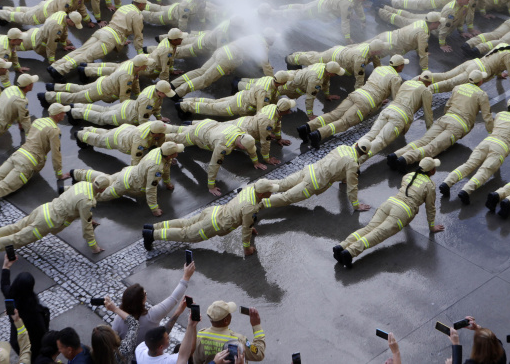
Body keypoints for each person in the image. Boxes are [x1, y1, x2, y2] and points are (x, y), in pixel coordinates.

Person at [0, 176, 107, 266]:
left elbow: (71, 198)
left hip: (44, 209)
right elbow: (86, 228)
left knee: (15, 227)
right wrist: (94, 247)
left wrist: (85, 215)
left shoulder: (83, 184)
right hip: (47, 222)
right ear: (102, 189)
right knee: (16, 239)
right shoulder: (87, 201)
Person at [334, 157, 444, 266]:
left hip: (389, 203)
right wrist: (432, 226)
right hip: (402, 212)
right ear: (432, 170)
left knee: (368, 229)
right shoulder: (430, 186)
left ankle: (342, 246)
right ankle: (349, 252)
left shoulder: (408, 176)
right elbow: (430, 208)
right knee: (378, 234)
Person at [388, 69, 493, 172]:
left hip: (445, 119)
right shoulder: (481, 95)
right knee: (432, 148)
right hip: (458, 126)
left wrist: (447, 118)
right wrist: (491, 133)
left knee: (422, 141)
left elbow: (447, 105)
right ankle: (405, 159)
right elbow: (487, 116)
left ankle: (396, 154)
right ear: (480, 81)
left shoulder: (458, 88)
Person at [144, 179, 281, 256]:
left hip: (213, 211)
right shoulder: (250, 206)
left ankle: (154, 227)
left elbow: (243, 215)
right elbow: (246, 228)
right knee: (186, 234)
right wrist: (247, 248)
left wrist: (250, 226)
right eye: (270, 192)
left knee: (185, 222)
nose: (271, 193)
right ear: (262, 194)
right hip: (214, 224)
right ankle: (152, 235)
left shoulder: (251, 189)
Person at [441, 97, 510, 203]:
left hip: (487, 142)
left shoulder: (500, 114)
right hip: (500, 147)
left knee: (469, 164)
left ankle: (447, 183)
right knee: (484, 171)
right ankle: (466, 190)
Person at [299, 56, 404, 148]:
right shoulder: (396, 78)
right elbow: (397, 98)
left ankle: (307, 127)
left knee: (334, 114)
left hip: (357, 94)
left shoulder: (380, 69)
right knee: (344, 122)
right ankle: (319, 134)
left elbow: (375, 85)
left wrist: (380, 100)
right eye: (403, 65)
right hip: (365, 103)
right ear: (399, 66)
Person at [109, 263, 194, 358]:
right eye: (145, 293)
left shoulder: (118, 319)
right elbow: (174, 298)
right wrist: (186, 276)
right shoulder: (152, 316)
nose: (146, 293)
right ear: (142, 301)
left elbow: (113, 341)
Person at [264, 141, 370, 210]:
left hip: (309, 170)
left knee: (282, 184)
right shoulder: (353, 164)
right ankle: (257, 204)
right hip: (313, 183)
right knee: (285, 198)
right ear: (364, 154)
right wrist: (356, 205)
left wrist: (344, 178)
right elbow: (352, 187)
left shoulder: (343, 147)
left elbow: (338, 164)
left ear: (356, 145)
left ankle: (255, 187)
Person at [1, 254, 50, 357]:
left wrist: (6, 266)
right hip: (33, 347)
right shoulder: (35, 311)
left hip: (16, 341)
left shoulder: (11, 296)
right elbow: (43, 333)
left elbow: (4, 285)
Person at [191, 301, 265, 364]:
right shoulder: (239, 340)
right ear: (226, 320)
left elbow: (196, 361)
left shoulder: (200, 335)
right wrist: (256, 326)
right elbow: (259, 354)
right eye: (229, 313)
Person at [76, 119, 167, 166]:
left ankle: (87, 129)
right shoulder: (140, 141)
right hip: (118, 139)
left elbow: (161, 140)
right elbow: (135, 158)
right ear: (155, 133)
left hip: (126, 130)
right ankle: (80, 135)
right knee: (100, 140)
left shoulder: (156, 125)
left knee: (107, 133)